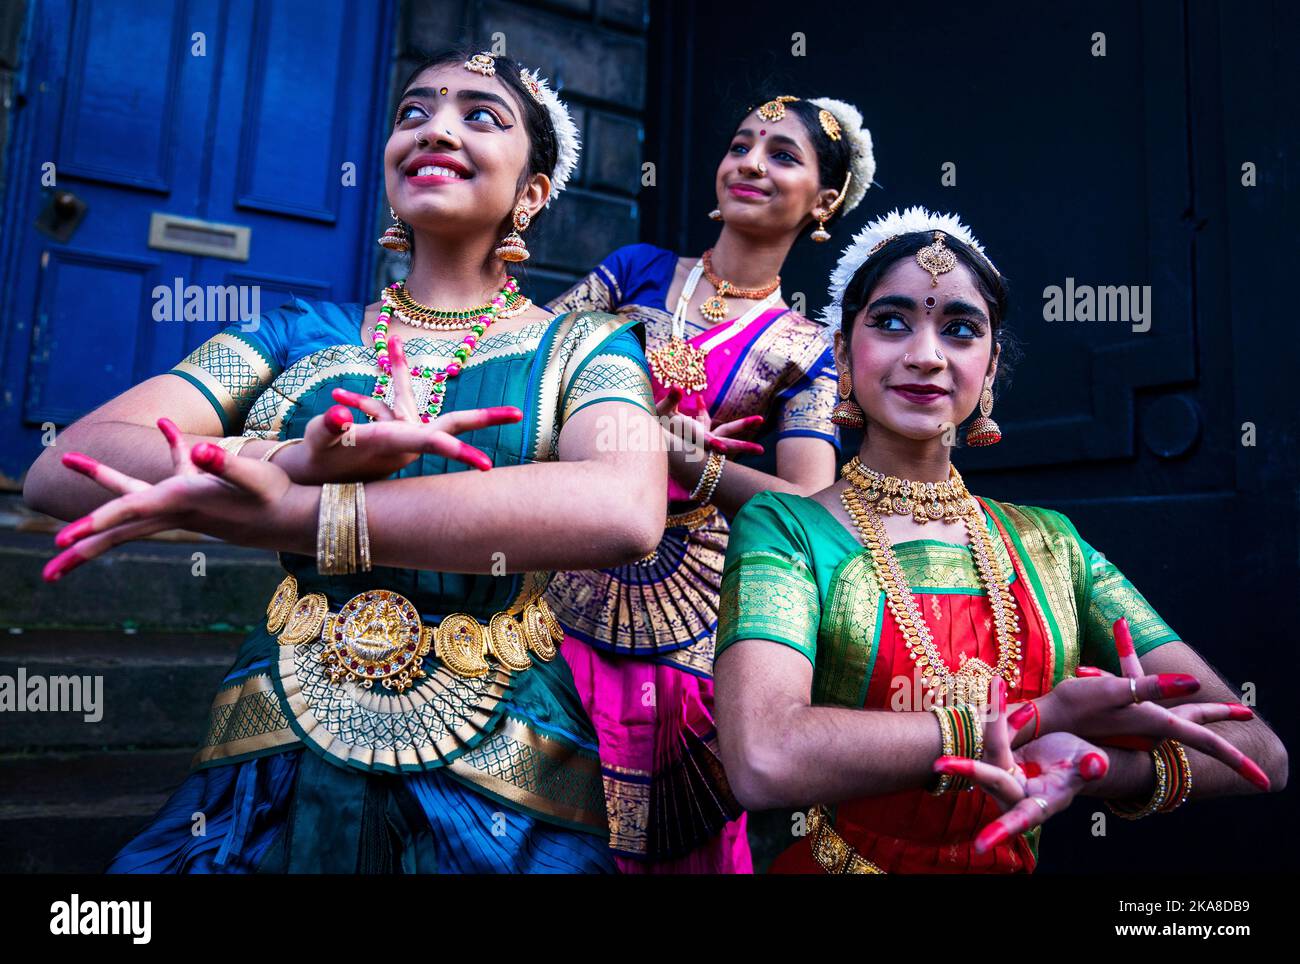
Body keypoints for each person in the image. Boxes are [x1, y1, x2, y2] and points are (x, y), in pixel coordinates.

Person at [22, 47, 667, 873]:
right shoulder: (296, 335)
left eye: (480, 115)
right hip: (275, 734)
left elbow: (620, 509)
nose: (435, 127)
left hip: (508, 750)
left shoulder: (586, 345)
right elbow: (62, 465)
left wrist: (296, 514)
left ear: (533, 192)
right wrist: (295, 458)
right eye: (413, 112)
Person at [713, 206, 1287, 873]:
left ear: (988, 371)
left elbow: (1260, 754)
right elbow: (764, 757)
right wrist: (1032, 720)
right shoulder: (788, 530)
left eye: (959, 329)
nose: (925, 355)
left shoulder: (1051, 545)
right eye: (891, 321)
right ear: (843, 352)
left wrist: (1098, 766)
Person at [542, 94, 876, 871]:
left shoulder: (809, 352)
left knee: (669, 841)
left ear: (824, 201)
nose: (750, 163)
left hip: (690, 628)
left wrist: (699, 466)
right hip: (560, 578)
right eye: (740, 144)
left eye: (783, 155)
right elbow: (533, 366)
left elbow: (810, 513)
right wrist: (634, 431)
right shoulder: (635, 271)